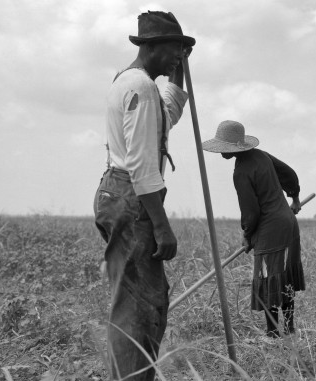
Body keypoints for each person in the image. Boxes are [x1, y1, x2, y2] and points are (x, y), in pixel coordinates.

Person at [93, 11, 195, 380]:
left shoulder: (132, 81)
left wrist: (178, 72)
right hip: (131, 197)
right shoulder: (141, 88)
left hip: (116, 192)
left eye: (183, 51)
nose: (177, 56)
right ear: (150, 46)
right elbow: (141, 165)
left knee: (134, 300)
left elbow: (167, 113)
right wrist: (162, 226)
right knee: (140, 306)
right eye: (173, 49)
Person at [202, 120, 305, 338]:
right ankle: (289, 329)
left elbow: (251, 212)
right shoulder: (262, 156)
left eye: (225, 148)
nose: (222, 153)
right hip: (288, 223)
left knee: (267, 278)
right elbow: (289, 173)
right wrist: (294, 198)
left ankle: (272, 334)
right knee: (283, 277)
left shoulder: (241, 172)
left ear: (236, 148)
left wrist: (247, 235)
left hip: (271, 229)